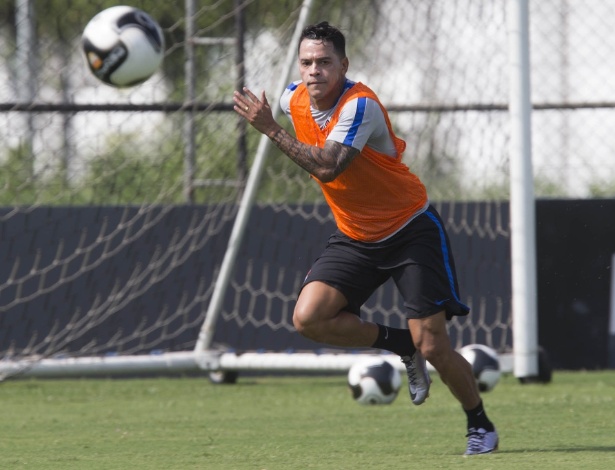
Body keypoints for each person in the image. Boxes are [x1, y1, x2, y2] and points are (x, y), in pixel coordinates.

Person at [233, 21, 498, 455]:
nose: (314, 71)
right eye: (306, 63)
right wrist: (267, 112)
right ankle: (400, 346)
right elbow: (282, 100)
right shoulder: (292, 97)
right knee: (309, 318)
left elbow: (327, 167)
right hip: (356, 236)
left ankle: (480, 424)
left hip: (409, 230)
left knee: (432, 343)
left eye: (324, 62)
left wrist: (271, 130)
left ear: (344, 65)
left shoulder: (360, 106)